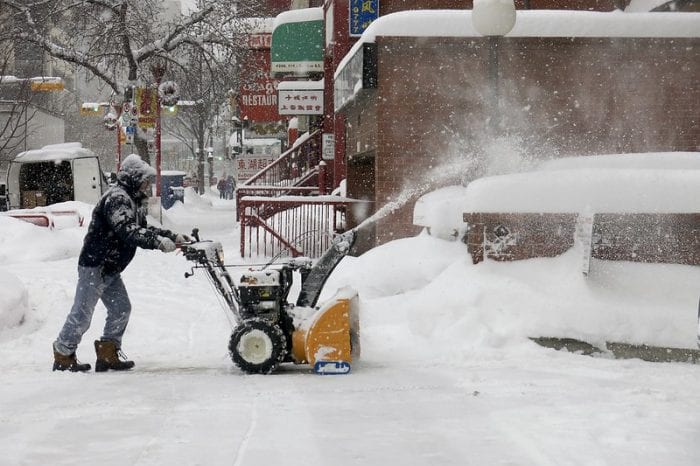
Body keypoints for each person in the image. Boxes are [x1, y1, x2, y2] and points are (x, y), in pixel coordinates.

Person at [52, 154, 190, 372]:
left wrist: (171, 237)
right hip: (95, 264)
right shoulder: (117, 198)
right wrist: (157, 242)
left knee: (121, 308)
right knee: (83, 313)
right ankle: (63, 352)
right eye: (145, 180)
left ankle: (108, 351)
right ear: (134, 178)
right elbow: (127, 230)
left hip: (110, 267)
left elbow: (144, 228)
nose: (147, 185)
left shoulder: (132, 199)